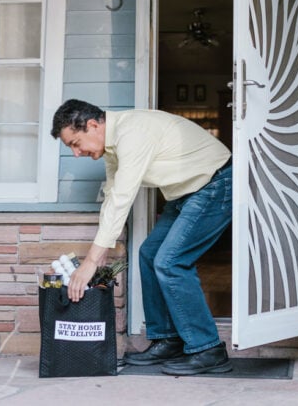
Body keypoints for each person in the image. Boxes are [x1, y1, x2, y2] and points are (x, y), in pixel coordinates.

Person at [50, 99, 233, 376]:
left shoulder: (132, 133)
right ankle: (167, 339)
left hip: (215, 183)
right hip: (186, 192)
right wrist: (96, 255)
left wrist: (91, 262)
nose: (76, 153)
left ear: (92, 125)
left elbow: (124, 197)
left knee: (170, 262)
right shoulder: (111, 148)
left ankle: (208, 349)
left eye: (75, 143)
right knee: (149, 254)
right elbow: (113, 199)